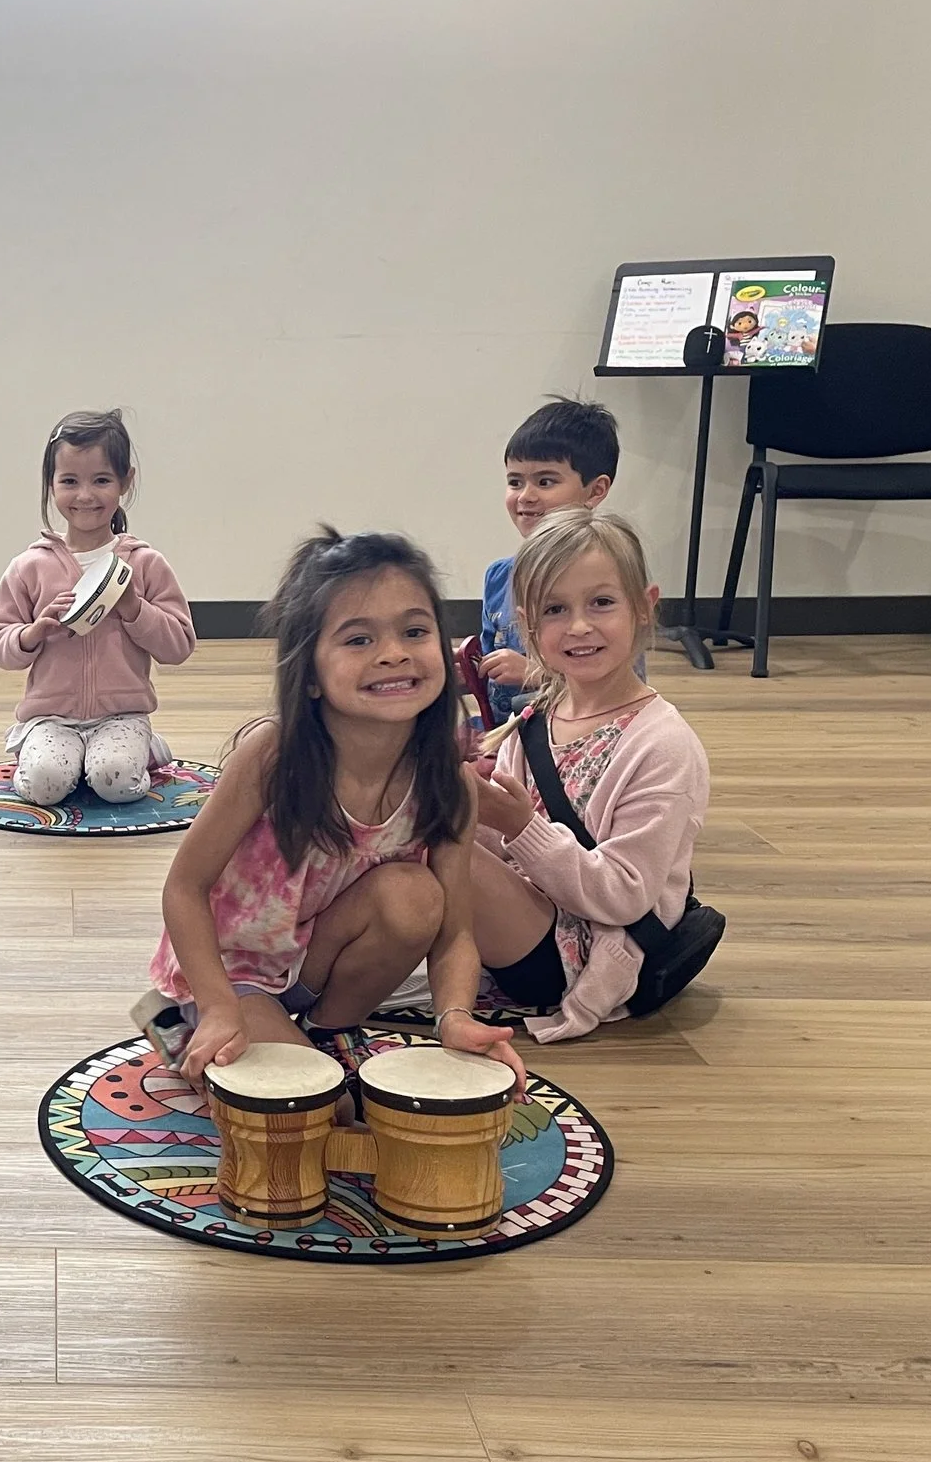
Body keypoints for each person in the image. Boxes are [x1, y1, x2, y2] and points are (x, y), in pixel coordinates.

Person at [150, 529, 523, 1087]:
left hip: (310, 965)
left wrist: (456, 1017)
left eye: (415, 631)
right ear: (312, 676)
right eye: (357, 640)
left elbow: (455, 932)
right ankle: (171, 1023)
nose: (394, 652)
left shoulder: (449, 781)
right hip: (228, 975)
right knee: (326, 1113)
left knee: (419, 896)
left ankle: (327, 1035)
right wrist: (221, 1007)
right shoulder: (272, 757)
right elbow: (184, 888)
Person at [469, 509, 710, 1041]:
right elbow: (500, 850)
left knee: (446, 854)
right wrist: (467, 808)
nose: (579, 626)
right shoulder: (534, 719)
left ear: (644, 608)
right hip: (529, 919)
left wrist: (517, 826)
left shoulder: (664, 745)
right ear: (530, 627)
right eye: (556, 609)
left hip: (589, 951)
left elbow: (625, 897)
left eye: (601, 602)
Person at [0, 408, 195, 805]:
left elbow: (179, 646)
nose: (85, 495)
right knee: (43, 788)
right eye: (69, 481)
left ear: (125, 482)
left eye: (101, 480)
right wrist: (34, 632)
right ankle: (38, 749)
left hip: (121, 716)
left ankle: (145, 749)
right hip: (50, 718)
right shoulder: (29, 566)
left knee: (116, 784)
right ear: (50, 484)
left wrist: (135, 607)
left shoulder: (145, 563)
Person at [481, 399, 618, 728]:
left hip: (577, 739)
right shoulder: (499, 577)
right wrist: (466, 673)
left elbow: (619, 690)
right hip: (506, 738)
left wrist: (536, 674)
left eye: (545, 482)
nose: (525, 496)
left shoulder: (610, 576)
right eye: (515, 482)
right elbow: (490, 672)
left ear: (595, 490)